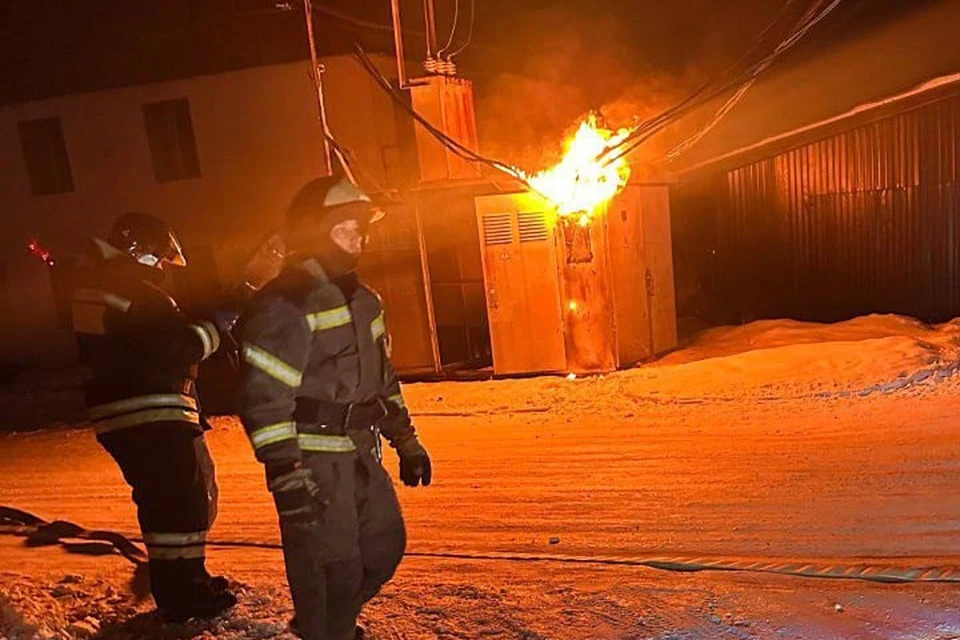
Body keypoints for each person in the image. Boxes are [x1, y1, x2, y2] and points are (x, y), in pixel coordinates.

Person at [237, 176, 432, 640]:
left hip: (361, 451)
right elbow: (263, 400)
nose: (359, 241)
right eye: (346, 230)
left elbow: (383, 381)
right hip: (313, 457)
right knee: (331, 568)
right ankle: (329, 630)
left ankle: (328, 625)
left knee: (384, 547)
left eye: (362, 231)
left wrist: (407, 442)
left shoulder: (367, 303)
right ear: (316, 232)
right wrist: (286, 472)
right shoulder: (286, 303)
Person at [70, 212, 237, 622]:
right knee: (180, 505)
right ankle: (184, 596)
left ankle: (185, 583)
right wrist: (215, 327)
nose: (164, 268)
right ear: (142, 254)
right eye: (160, 259)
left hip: (132, 415)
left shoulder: (110, 287)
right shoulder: (132, 290)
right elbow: (176, 348)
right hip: (149, 415)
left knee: (173, 504)